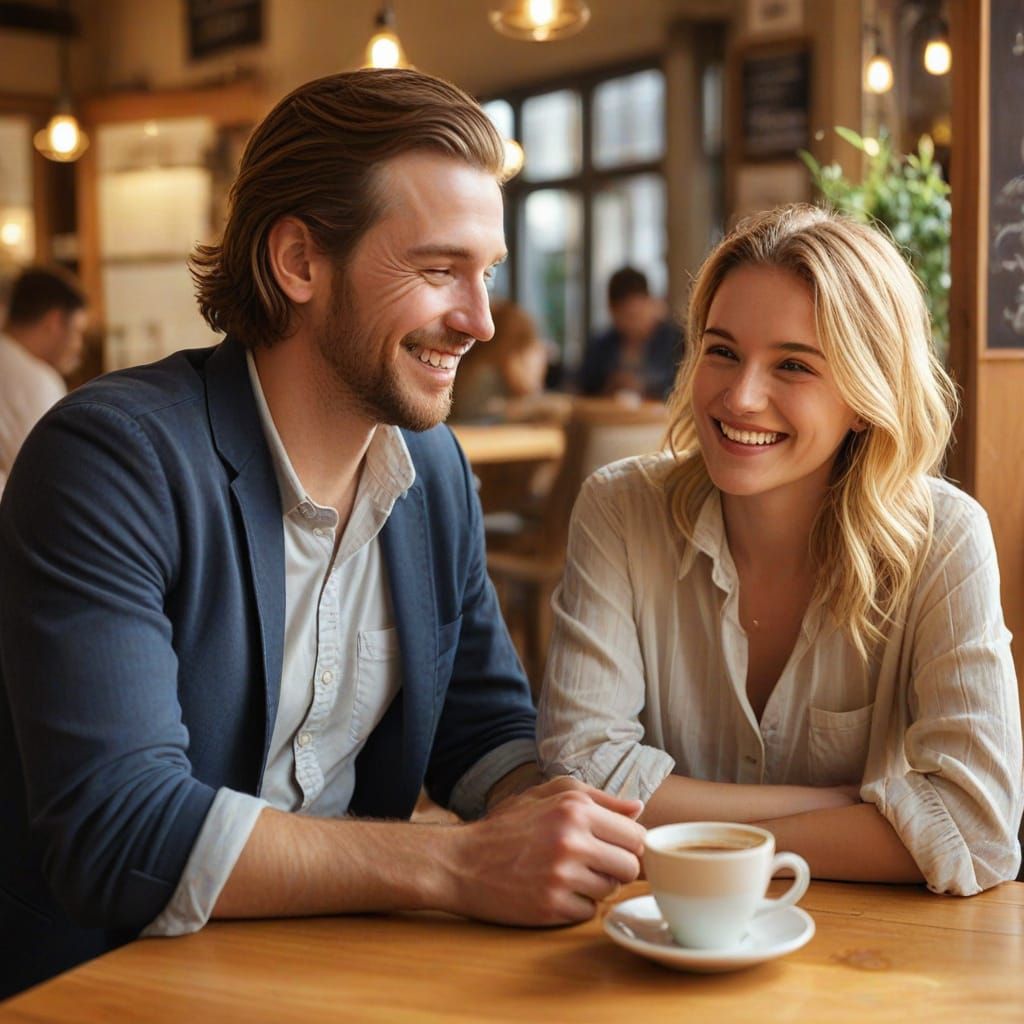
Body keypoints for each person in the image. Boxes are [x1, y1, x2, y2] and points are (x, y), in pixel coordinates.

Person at [0, 69, 645, 999]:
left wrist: (549, 817)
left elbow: (482, 728)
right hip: (104, 982)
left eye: (488, 273)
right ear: (299, 261)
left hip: (336, 973)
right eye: (439, 270)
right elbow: (119, 830)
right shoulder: (111, 460)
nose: (479, 320)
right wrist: (461, 864)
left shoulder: (434, 472)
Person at [539, 204, 1023, 896]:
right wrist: (843, 810)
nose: (741, 397)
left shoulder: (945, 541)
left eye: (793, 365)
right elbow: (580, 774)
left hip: (874, 948)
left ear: (866, 396)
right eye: (722, 351)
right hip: (661, 932)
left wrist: (699, 834)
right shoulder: (619, 510)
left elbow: (976, 829)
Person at [0, 265, 87, 496]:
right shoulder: (36, 380)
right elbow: (55, 475)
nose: (78, 346)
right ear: (53, 322)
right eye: (77, 332)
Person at [577, 266, 682, 401]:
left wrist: (643, 387)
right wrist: (610, 387)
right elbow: (582, 391)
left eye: (637, 315)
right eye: (626, 316)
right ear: (612, 312)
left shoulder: (674, 342)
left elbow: (680, 391)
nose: (632, 324)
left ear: (650, 304)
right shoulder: (600, 346)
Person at [450, 298, 549, 422]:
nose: (540, 361)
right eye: (530, 348)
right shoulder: (484, 378)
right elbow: (479, 420)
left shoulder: (476, 370)